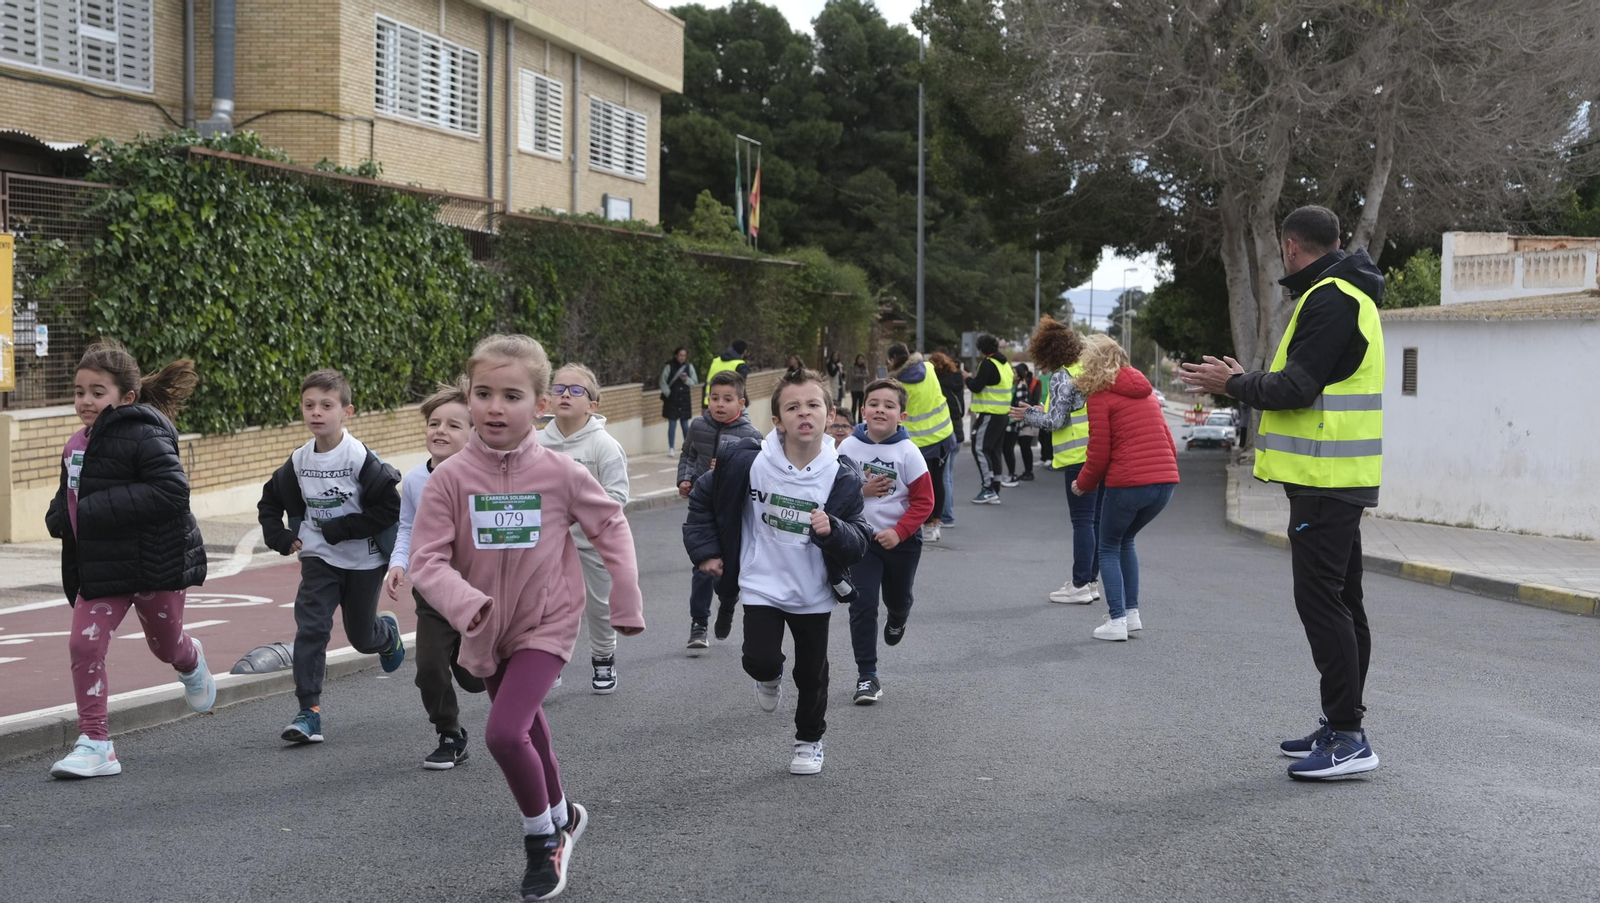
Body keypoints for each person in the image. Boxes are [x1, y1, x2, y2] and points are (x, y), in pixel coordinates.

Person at [411, 334, 644, 901]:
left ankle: (543, 838)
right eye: (483, 393)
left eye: (511, 395)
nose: (495, 407)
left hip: (549, 618)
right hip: (487, 626)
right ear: (468, 397)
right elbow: (426, 559)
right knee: (530, 727)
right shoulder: (450, 479)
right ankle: (565, 812)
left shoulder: (561, 473)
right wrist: (469, 606)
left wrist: (626, 596)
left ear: (539, 405)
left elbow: (609, 524)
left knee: (503, 732)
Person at [1180, 204, 1386, 781]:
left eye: (1283, 250)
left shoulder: (1330, 299)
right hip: (1337, 478)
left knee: (1322, 603)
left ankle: (1348, 735)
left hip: (1325, 479)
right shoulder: (1349, 294)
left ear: (1291, 247)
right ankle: (1341, 723)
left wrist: (1235, 383)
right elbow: (1313, 382)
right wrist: (1244, 377)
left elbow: (1297, 388)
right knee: (1343, 602)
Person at [682, 369, 872, 776]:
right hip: (760, 584)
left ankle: (809, 740)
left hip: (813, 591)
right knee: (761, 660)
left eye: (813, 405)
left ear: (830, 413)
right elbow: (702, 497)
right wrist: (707, 552)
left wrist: (834, 529)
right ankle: (768, 678)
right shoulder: (748, 462)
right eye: (793, 407)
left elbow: (859, 539)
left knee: (810, 674)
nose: (804, 413)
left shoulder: (841, 475)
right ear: (777, 420)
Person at [44, 342, 212, 779]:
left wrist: (96, 508)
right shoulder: (75, 444)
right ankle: (96, 743)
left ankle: (190, 659)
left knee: (165, 647)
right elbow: (72, 491)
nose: (85, 401)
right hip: (103, 568)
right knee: (84, 644)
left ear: (126, 397)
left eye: (97, 392)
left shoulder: (145, 433)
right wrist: (61, 512)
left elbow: (173, 492)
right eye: (79, 391)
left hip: (155, 563)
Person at [259, 368, 405, 746]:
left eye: (326, 405)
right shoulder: (299, 460)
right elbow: (269, 501)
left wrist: (344, 528)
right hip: (318, 556)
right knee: (312, 627)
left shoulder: (360, 459)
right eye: (309, 405)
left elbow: (390, 509)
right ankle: (309, 712)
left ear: (347, 411)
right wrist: (279, 534)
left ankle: (386, 635)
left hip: (363, 560)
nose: (316, 412)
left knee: (361, 637)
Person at [385, 378, 486, 770]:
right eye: (434, 423)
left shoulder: (486, 476)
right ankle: (450, 733)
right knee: (428, 668)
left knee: (476, 677)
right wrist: (398, 563)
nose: (440, 431)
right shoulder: (414, 479)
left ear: (474, 433)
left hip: (480, 593)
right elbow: (408, 527)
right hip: (433, 593)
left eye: (453, 425)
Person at [1071, 336, 1179, 642]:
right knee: (1126, 541)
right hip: (1165, 483)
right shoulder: (1148, 396)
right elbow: (1170, 443)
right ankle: (1132, 615)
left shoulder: (1101, 398)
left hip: (1130, 484)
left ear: (1094, 363)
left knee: (1107, 546)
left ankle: (1116, 619)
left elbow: (1099, 453)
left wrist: (1083, 484)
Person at [837, 379, 934, 704]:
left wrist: (899, 532)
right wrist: (859, 492)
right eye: (874, 403)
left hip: (901, 542)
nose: (880, 409)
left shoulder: (908, 453)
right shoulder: (848, 447)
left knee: (897, 597)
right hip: (861, 540)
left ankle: (899, 615)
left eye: (889, 405)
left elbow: (924, 502)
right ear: (863, 410)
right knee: (862, 605)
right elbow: (832, 489)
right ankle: (868, 676)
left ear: (901, 415)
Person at [537, 364, 631, 695]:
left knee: (598, 607)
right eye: (559, 388)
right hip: (546, 547)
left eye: (576, 390)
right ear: (546, 400)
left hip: (592, 546)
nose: (565, 394)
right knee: (547, 607)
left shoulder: (603, 446)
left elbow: (617, 496)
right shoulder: (535, 443)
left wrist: (580, 514)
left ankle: (603, 658)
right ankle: (550, 664)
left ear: (592, 404)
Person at [1013, 317, 1100, 604]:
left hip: (1077, 458)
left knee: (1082, 522)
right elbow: (1071, 410)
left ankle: (1078, 585)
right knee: (1096, 522)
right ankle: (1091, 581)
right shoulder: (1087, 370)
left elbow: (1056, 421)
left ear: (1049, 352)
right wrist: (1043, 407)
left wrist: (1027, 414)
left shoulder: (1062, 376)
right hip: (1098, 453)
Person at [677, 370, 764, 649]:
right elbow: (688, 454)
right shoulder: (698, 427)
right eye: (714, 398)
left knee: (731, 568)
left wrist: (730, 470)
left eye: (727, 399)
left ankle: (726, 606)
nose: (719, 404)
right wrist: (686, 478)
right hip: (704, 506)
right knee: (703, 564)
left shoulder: (751, 435)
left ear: (741, 403)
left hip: (734, 510)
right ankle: (698, 623)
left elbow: (757, 473)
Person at [885, 343, 955, 543]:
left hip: (920, 442)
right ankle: (935, 524)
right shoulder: (929, 368)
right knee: (938, 481)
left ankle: (920, 525)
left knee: (919, 486)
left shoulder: (899, 386)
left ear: (894, 359)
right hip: (943, 434)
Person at [966, 334, 1013, 504]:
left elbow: (976, 387)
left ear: (981, 349)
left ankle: (988, 488)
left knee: (979, 448)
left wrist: (967, 377)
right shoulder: (1005, 364)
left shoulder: (988, 363)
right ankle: (995, 488)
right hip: (1002, 414)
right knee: (994, 451)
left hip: (990, 413)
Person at [929, 352, 966, 527]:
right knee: (947, 476)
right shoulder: (957, 382)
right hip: (958, 434)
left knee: (943, 477)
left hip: (946, 434)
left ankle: (946, 515)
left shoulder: (938, 386)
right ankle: (947, 514)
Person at [1002, 363, 1041, 484]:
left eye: (1014, 373)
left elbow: (1021, 405)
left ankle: (1015, 474)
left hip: (1015, 422)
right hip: (1012, 421)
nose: (1012, 375)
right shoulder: (1015, 385)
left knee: (1011, 448)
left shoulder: (1021, 386)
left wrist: (1017, 420)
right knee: (1008, 448)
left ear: (1019, 375)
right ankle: (1015, 473)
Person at [660, 347, 697, 454]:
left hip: (684, 399)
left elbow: (694, 381)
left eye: (684, 356)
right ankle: (671, 447)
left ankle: (687, 447)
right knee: (672, 424)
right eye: (680, 355)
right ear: (676, 355)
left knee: (685, 425)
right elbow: (663, 381)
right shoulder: (669, 366)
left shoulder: (689, 367)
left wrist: (686, 380)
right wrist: (668, 393)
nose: (682, 357)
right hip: (672, 400)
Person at [706, 339, 751, 405]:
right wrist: (745, 403)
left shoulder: (716, 361)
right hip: (728, 404)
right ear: (744, 351)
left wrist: (704, 406)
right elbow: (740, 387)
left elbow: (706, 384)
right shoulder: (740, 364)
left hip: (711, 402)